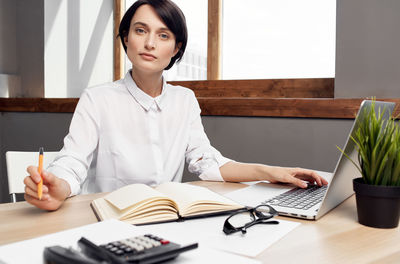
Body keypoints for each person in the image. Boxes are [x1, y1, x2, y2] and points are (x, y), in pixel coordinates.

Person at [23, 0, 328, 211]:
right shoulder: (97, 98)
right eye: (140, 30)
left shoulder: (184, 100)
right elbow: (73, 160)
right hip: (108, 219)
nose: (150, 43)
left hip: (166, 219)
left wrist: (271, 171)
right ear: (126, 37)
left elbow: (207, 162)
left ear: (176, 47)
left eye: (163, 34)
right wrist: (59, 186)